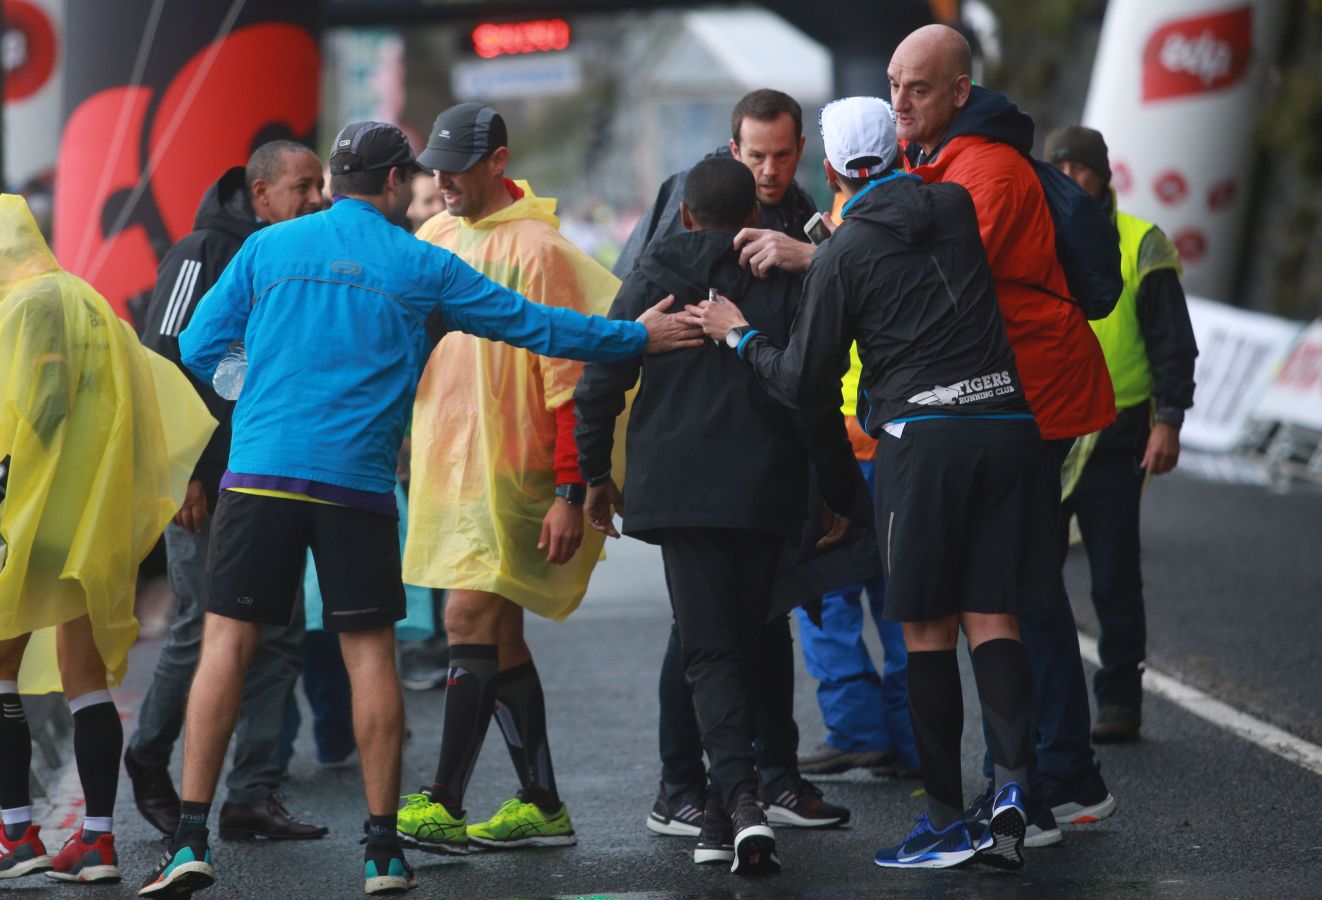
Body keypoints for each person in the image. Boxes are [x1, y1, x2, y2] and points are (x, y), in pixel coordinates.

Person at [138, 121, 699, 899]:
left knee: (225, 649)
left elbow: (197, 347)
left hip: (259, 474)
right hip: (356, 487)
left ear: (332, 182)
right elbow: (539, 327)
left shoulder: (267, 249)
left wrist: (251, 382)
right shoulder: (420, 262)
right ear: (396, 182)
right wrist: (640, 335)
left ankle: (188, 843)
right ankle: (381, 853)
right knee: (368, 655)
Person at [688, 95, 1044, 872]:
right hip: (1009, 425)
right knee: (994, 618)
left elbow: (801, 380)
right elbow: (893, 238)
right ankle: (1015, 787)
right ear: (902, 149)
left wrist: (738, 333)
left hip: (923, 442)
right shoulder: (950, 205)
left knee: (924, 631)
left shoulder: (844, 256)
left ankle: (948, 821)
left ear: (827, 167)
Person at [575, 156, 857, 874]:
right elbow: (812, 394)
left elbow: (601, 373)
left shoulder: (655, 273)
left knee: (708, 652)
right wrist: (838, 489)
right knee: (753, 637)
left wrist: (592, 477)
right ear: (755, 218)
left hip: (678, 493)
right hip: (766, 488)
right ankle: (739, 802)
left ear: (687, 215)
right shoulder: (785, 279)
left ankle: (735, 808)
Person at [889, 24, 1118, 843]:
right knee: (1019, 590)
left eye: (917, 88)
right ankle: (1056, 776)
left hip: (1036, 393)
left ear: (958, 92)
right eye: (893, 85)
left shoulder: (983, 167)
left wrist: (828, 265)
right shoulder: (947, 159)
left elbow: (940, 280)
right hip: (1012, 393)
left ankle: (1050, 781)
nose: (900, 102)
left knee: (1017, 593)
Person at [393, 102, 624, 856]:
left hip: (513, 475)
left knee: (465, 622)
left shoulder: (539, 249)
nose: (443, 179)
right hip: (446, 468)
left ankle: (444, 801)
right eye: (436, 166)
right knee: (501, 635)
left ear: (498, 161)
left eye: (458, 166)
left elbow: (571, 379)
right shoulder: (434, 235)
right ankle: (542, 803)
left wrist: (569, 489)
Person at [0, 195, 214, 884]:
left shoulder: (21, 309)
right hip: (90, 518)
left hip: (27, 514)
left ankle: (15, 836)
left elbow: (25, 412)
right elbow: (149, 399)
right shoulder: (90, 303)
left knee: (1, 667)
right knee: (85, 679)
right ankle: (96, 840)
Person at [127, 140, 328, 843]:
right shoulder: (199, 252)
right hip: (208, 486)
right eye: (303, 187)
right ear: (261, 192)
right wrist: (183, 470)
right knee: (202, 626)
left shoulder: (296, 253)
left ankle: (253, 794)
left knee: (280, 636)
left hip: (277, 475)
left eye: (321, 185)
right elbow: (162, 360)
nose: (317, 199)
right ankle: (148, 758)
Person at [1045, 125, 1198, 743]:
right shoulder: (1035, 236)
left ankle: (1119, 702)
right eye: (1060, 169)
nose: (1071, 179)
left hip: (1117, 430)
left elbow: (1172, 344)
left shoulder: (1141, 242)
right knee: (1032, 578)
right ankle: (1046, 703)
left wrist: (1169, 421)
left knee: (1114, 575)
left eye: (1081, 169)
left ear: (1102, 174)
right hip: (1046, 431)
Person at [795, 346, 920, 779]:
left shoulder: (820, 275)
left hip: (840, 436)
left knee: (825, 592)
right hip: (905, 431)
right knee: (904, 594)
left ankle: (858, 731)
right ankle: (914, 739)